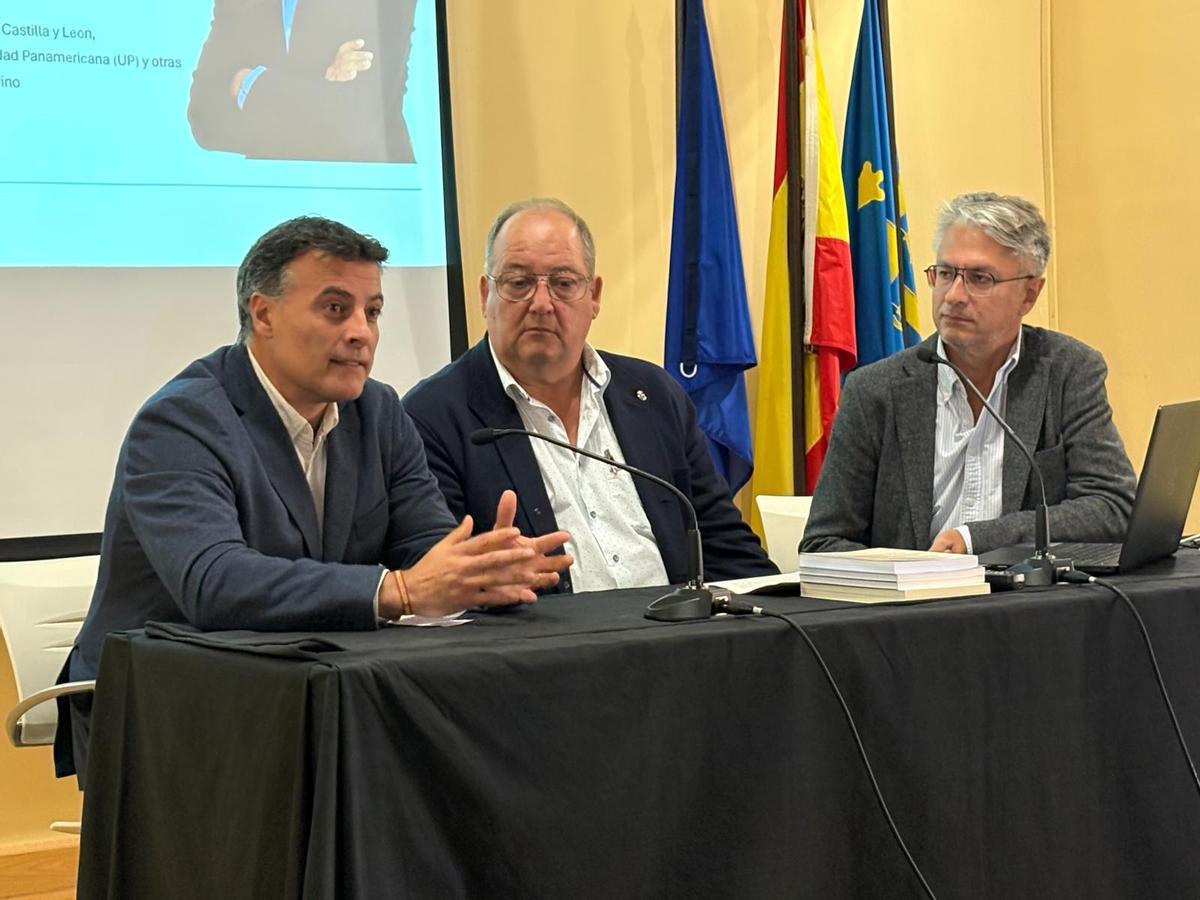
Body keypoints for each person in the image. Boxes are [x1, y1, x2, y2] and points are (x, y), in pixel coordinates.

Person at [58, 216, 571, 784]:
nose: (361, 333)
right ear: (263, 314)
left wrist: (481, 570)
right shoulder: (182, 421)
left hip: (304, 690)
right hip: (166, 705)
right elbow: (215, 582)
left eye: (372, 312)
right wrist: (396, 591)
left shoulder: (378, 412)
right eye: (334, 308)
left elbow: (425, 545)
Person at [402, 198, 777, 592]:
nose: (542, 304)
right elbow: (439, 584)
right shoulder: (432, 417)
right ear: (485, 295)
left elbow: (725, 547)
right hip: (548, 631)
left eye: (564, 283)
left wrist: (789, 607)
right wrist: (488, 580)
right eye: (518, 283)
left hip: (677, 626)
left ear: (594, 296)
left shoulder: (653, 395)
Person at [802, 192, 1136, 554]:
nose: (954, 296)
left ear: (1029, 294)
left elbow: (1113, 507)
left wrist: (975, 539)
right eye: (946, 274)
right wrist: (908, 574)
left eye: (980, 278)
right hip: (916, 589)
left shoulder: (1068, 371)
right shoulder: (875, 391)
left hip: (1023, 589)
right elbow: (823, 543)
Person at [187, 0, 416, 162]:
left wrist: (251, 84)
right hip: (270, 189)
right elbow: (206, 118)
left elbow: (356, 119)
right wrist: (323, 89)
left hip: (367, 189)